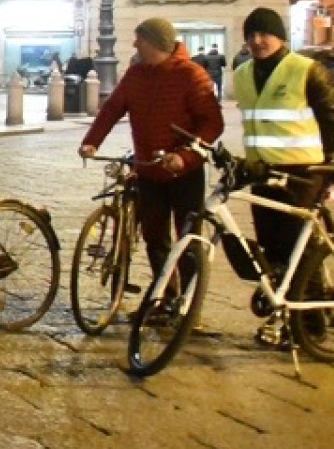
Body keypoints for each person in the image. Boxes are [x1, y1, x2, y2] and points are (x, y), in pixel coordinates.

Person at [78, 18, 225, 293]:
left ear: (155, 42)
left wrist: (185, 156)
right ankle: (164, 296)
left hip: (184, 172)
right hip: (148, 169)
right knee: (154, 239)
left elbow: (212, 123)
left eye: (140, 39)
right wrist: (91, 142)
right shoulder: (136, 74)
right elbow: (112, 109)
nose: (135, 44)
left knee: (188, 239)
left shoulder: (191, 75)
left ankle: (187, 305)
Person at [233, 7, 334, 348]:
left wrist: (326, 167)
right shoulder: (242, 74)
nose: (257, 40)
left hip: (301, 172)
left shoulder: (305, 69)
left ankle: (310, 327)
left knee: (300, 249)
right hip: (263, 173)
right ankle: (284, 314)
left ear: (281, 36)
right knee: (273, 250)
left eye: (264, 33)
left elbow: (332, 119)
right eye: (251, 34)